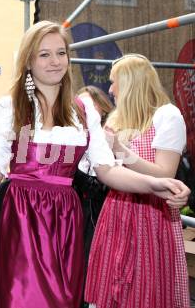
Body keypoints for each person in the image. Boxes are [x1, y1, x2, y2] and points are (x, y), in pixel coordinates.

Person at [0, 21, 190, 308]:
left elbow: (107, 169)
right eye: (44, 54)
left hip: (66, 218)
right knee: (21, 298)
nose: (55, 61)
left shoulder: (82, 110)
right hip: (20, 215)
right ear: (29, 60)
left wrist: (155, 183)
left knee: (64, 299)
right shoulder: (10, 107)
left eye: (61, 53)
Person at [85, 54, 190, 308]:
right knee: (111, 294)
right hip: (116, 215)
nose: (109, 89)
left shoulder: (168, 115)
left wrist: (120, 150)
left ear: (131, 83)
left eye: (114, 82)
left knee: (145, 296)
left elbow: (164, 174)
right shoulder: (116, 120)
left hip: (151, 220)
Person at [72, 85, 114, 292]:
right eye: (80, 103)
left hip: (98, 217)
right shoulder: (71, 136)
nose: (84, 107)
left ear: (101, 107)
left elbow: (104, 183)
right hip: (72, 215)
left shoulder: (109, 137)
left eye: (89, 103)